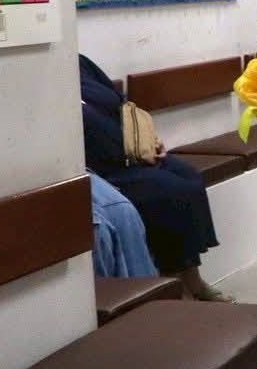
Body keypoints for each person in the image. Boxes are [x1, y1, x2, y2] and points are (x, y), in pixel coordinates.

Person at [79, 55, 232, 300]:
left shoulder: (80, 64)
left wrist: (150, 139)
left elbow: (123, 105)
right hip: (104, 170)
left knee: (189, 177)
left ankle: (192, 276)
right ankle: (173, 284)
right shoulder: (48, 88)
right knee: (168, 192)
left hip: (135, 155)